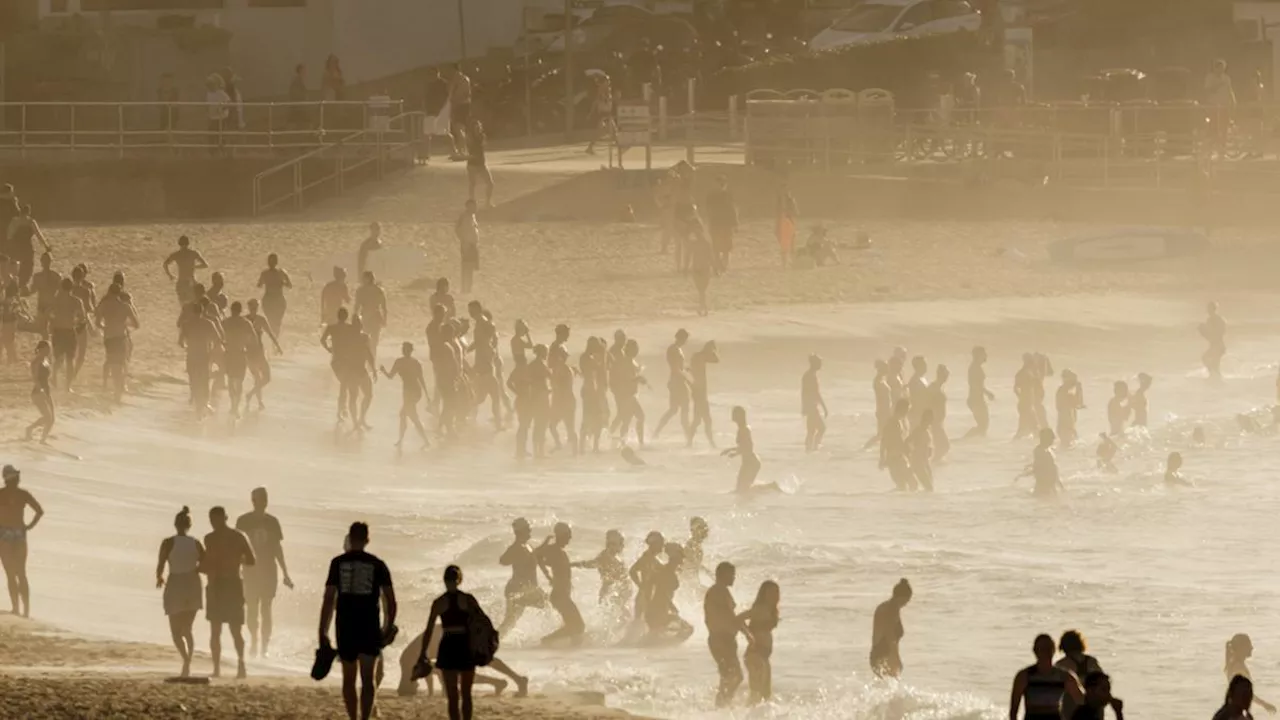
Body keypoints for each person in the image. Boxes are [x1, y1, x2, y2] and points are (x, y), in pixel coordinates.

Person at [320, 522, 396, 720]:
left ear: (350, 538)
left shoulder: (337, 563)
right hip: (369, 626)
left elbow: (329, 598)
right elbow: (390, 600)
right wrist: (387, 626)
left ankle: (353, 718)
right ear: (367, 540)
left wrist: (323, 630)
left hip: (345, 625)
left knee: (349, 678)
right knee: (368, 679)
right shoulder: (378, 564)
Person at [416, 565, 490, 720]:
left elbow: (428, 630)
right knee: (466, 693)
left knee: (452, 695)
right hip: (465, 645)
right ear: (460, 580)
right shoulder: (468, 599)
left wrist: (423, 652)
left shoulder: (439, 602)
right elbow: (483, 622)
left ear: (444, 580)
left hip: (448, 645)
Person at [235, 488, 294, 658]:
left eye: (264, 499)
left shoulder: (273, 522)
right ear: (253, 501)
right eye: (259, 499)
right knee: (252, 608)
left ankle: (264, 647)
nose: (262, 502)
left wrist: (285, 573)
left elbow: (277, 549)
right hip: (250, 571)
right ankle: (254, 640)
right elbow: (238, 548)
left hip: (268, 571)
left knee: (266, 608)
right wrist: (236, 568)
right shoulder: (243, 521)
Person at [200, 506, 255, 679]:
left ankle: (232, 666)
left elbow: (251, 560)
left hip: (222, 584)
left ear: (225, 518)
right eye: (212, 521)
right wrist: (235, 560)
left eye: (215, 520)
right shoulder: (238, 536)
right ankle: (237, 666)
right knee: (227, 629)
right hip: (227, 583)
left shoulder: (211, 538)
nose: (214, 523)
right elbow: (251, 560)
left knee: (224, 629)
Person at [156, 506, 204, 677]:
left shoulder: (168, 542)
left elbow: (161, 563)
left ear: (175, 524)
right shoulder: (196, 543)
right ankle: (187, 662)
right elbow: (205, 564)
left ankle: (186, 660)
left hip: (175, 583)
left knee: (176, 632)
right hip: (192, 584)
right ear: (189, 525)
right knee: (186, 629)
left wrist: (159, 577)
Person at [0, 465, 43, 618]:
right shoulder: (23, 494)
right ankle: (25, 611)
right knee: (21, 573)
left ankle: (16, 609)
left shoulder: (1, 494)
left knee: (11, 574)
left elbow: (39, 511)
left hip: (4, 535)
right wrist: (28, 527)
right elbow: (39, 511)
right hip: (19, 534)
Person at [1009, 633, 1084, 720]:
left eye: (1049, 648)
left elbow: (1082, 702)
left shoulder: (1064, 676)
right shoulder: (1024, 676)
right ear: (1035, 651)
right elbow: (1013, 711)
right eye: (1043, 648)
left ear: (1054, 650)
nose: (1046, 651)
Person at [704, 561, 748, 708]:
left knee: (727, 676)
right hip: (722, 640)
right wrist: (748, 633)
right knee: (735, 676)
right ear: (723, 575)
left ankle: (722, 706)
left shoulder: (718, 590)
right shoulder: (719, 591)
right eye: (732, 575)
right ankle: (723, 703)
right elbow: (731, 617)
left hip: (720, 639)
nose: (734, 578)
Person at [535, 522, 585, 646]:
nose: (570, 538)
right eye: (568, 535)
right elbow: (536, 555)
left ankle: (569, 650)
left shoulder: (558, 551)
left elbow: (541, 559)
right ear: (561, 535)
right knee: (578, 626)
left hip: (562, 595)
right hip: (559, 595)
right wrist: (547, 575)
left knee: (574, 626)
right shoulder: (554, 550)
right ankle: (547, 641)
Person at [498, 518, 547, 635]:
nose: (530, 530)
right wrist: (516, 555)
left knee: (510, 622)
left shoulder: (527, 546)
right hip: (519, 589)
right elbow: (503, 560)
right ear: (521, 531)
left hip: (526, 589)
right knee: (550, 603)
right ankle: (562, 633)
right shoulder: (517, 547)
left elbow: (534, 555)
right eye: (528, 528)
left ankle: (493, 640)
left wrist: (545, 544)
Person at [571, 529, 630, 624]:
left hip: (616, 593)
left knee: (621, 619)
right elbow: (590, 564)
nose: (622, 546)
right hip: (610, 593)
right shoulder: (605, 556)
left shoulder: (616, 556)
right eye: (618, 543)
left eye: (621, 542)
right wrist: (572, 564)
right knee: (616, 620)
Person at [381, 342, 432, 448]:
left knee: (410, 415)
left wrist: (427, 395)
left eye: (405, 349)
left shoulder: (406, 362)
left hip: (413, 391)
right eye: (403, 348)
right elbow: (391, 376)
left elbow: (421, 379)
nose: (404, 350)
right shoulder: (408, 362)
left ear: (409, 350)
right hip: (410, 391)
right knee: (406, 414)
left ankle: (424, 441)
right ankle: (404, 440)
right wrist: (384, 371)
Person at [94, 283, 139, 402]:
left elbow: (98, 323)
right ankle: (118, 393)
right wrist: (125, 325)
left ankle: (115, 389)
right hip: (121, 337)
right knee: (122, 363)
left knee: (112, 363)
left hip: (109, 338)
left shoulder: (104, 305)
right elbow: (136, 324)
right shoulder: (125, 306)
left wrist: (105, 327)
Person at [740, 580, 780, 705]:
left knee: (765, 694)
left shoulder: (770, 610)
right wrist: (749, 636)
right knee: (756, 693)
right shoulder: (760, 608)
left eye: (776, 592)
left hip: (763, 655)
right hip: (755, 654)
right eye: (771, 592)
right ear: (764, 594)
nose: (775, 595)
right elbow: (738, 619)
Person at [646, 543, 694, 644]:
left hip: (657, 610)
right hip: (658, 611)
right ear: (675, 557)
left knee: (656, 635)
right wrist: (672, 606)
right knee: (688, 629)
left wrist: (671, 606)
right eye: (681, 555)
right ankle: (665, 647)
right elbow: (662, 593)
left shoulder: (665, 570)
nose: (683, 559)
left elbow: (657, 590)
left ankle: (659, 646)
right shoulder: (666, 572)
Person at [244, 298, 282, 410]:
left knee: (264, 378)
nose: (253, 309)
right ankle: (257, 400)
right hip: (252, 352)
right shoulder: (248, 320)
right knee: (260, 378)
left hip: (257, 352)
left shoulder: (258, 320)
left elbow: (270, 334)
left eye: (255, 307)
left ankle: (252, 396)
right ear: (249, 307)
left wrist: (277, 346)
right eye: (252, 307)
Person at [1226, 633, 1278, 714]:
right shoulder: (1238, 668)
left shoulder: (1236, 664)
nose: (1252, 648)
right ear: (1241, 648)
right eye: (1249, 645)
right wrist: (1265, 705)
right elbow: (1244, 693)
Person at [654, 329, 692, 440]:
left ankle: (657, 432)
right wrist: (688, 380)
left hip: (676, 381)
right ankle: (689, 438)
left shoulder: (676, 349)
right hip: (678, 382)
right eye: (685, 339)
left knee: (673, 410)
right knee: (683, 410)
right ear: (682, 338)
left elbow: (678, 366)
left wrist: (686, 368)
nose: (686, 341)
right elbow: (675, 368)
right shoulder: (674, 349)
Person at [222, 301, 257, 420]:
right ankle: (235, 407)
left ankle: (233, 405)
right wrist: (247, 345)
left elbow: (219, 337)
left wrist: (225, 344)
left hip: (229, 354)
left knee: (231, 380)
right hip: (241, 353)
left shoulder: (225, 322)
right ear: (241, 310)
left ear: (231, 310)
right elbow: (254, 339)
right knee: (239, 382)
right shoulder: (245, 323)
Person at [870, 578, 912, 677]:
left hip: (876, 654)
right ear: (902, 597)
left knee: (885, 688)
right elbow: (890, 636)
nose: (906, 603)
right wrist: (895, 658)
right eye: (907, 600)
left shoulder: (883, 607)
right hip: (885, 654)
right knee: (891, 687)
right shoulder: (891, 610)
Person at [6, 204, 51, 289]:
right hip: (27, 247)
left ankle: (15, 285)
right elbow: (39, 235)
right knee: (28, 266)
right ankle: (23, 284)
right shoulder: (31, 222)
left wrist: (10, 246)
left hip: (16, 247)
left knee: (16, 266)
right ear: (29, 212)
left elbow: (9, 235)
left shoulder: (15, 221)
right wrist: (46, 246)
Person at [686, 340, 719, 448]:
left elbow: (716, 360)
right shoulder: (700, 357)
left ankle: (690, 442)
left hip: (699, 391)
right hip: (699, 392)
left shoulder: (699, 356)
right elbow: (716, 359)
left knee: (698, 420)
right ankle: (711, 443)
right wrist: (712, 351)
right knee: (706, 419)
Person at [722, 406, 762, 493]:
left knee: (742, 490)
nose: (732, 416)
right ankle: (770, 488)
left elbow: (749, 447)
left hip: (751, 463)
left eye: (734, 414)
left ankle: (772, 487)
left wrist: (735, 453)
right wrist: (729, 450)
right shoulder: (742, 428)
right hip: (749, 462)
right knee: (742, 489)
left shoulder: (744, 429)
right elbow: (743, 446)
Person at [164, 236, 209, 309]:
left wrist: (170, 275)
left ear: (179, 244)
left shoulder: (176, 254)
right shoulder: (193, 253)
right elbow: (205, 265)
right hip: (191, 280)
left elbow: (165, 264)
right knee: (196, 301)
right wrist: (194, 267)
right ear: (188, 243)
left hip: (181, 281)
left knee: (183, 304)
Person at [705, 175, 739, 273]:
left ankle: (722, 266)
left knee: (726, 248)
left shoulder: (728, 195)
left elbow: (733, 209)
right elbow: (708, 211)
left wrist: (735, 223)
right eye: (720, 184)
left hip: (725, 225)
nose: (721, 186)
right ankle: (719, 266)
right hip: (716, 224)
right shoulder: (711, 196)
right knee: (717, 247)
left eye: (722, 184)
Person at [1018, 429, 1065, 498]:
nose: (1053, 440)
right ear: (1046, 439)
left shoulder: (1047, 450)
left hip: (1051, 484)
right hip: (1044, 485)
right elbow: (1038, 466)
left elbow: (1044, 464)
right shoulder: (1040, 451)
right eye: (1052, 438)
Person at [880, 399, 915, 491]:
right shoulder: (895, 423)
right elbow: (896, 441)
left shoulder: (892, 421)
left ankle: (891, 502)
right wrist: (908, 451)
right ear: (902, 409)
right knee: (911, 484)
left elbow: (884, 440)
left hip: (894, 458)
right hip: (897, 458)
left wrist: (882, 457)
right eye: (907, 410)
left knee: (902, 486)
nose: (907, 413)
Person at [257, 253, 292, 338]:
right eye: (270, 261)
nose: (270, 263)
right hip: (272, 300)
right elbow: (259, 285)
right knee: (273, 322)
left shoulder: (275, 273)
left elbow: (259, 285)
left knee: (275, 322)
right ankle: (274, 341)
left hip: (275, 300)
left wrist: (281, 283)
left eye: (272, 261)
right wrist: (280, 283)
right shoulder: (270, 273)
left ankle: (275, 341)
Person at [25, 341, 54, 442]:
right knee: (47, 417)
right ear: (40, 349)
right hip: (38, 392)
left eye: (49, 349)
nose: (49, 351)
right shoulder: (37, 362)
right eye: (47, 349)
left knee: (51, 419)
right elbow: (35, 378)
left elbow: (47, 377)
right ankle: (29, 429)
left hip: (46, 390)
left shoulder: (46, 360)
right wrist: (41, 389)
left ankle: (43, 439)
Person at [802, 354, 828, 452]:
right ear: (814, 363)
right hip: (812, 407)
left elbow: (804, 393)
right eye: (819, 362)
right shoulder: (810, 376)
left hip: (810, 407)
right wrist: (824, 408)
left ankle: (809, 450)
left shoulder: (808, 375)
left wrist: (804, 407)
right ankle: (814, 448)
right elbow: (815, 393)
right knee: (821, 428)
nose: (821, 364)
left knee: (811, 431)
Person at [465, 120, 494, 208]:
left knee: (490, 183)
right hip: (472, 164)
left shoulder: (482, 136)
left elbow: (483, 145)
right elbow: (470, 148)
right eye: (476, 127)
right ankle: (472, 202)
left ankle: (488, 202)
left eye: (479, 127)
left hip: (481, 163)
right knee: (472, 184)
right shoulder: (470, 137)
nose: (478, 129)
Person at [447, 65, 473, 159]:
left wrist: (453, 100)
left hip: (461, 106)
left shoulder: (461, 80)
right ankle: (462, 150)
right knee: (459, 129)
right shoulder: (461, 79)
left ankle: (463, 151)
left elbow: (462, 94)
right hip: (461, 106)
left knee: (459, 128)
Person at [908, 408, 936, 492]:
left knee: (929, 487)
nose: (932, 420)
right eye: (930, 418)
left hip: (925, 463)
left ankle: (922, 503)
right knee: (929, 488)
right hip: (918, 463)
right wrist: (910, 454)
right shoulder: (918, 430)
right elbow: (907, 441)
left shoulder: (927, 430)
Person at [456, 200, 481, 294]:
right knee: (466, 267)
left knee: (470, 267)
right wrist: (464, 241)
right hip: (467, 245)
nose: (475, 208)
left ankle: (468, 288)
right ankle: (464, 288)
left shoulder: (472, 216)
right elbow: (458, 230)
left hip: (472, 244)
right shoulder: (464, 217)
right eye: (472, 206)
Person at [1056, 369, 1085, 447]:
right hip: (1066, 415)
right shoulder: (1066, 391)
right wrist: (1079, 389)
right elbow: (1078, 403)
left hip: (1065, 415)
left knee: (1067, 436)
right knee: (1068, 437)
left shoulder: (1063, 389)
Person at [1202, 302, 1227, 380]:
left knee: (1212, 362)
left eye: (1209, 309)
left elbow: (1216, 334)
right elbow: (1209, 335)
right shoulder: (1214, 319)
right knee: (1207, 359)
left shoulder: (1215, 320)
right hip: (1216, 345)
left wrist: (1203, 331)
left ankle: (1215, 378)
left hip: (1218, 346)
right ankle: (1214, 376)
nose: (1208, 311)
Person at [775, 182, 797, 268]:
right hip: (782, 222)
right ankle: (784, 263)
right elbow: (777, 214)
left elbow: (795, 212)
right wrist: (777, 225)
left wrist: (788, 213)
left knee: (791, 243)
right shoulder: (779, 201)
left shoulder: (791, 200)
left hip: (789, 222)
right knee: (783, 244)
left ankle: (793, 261)